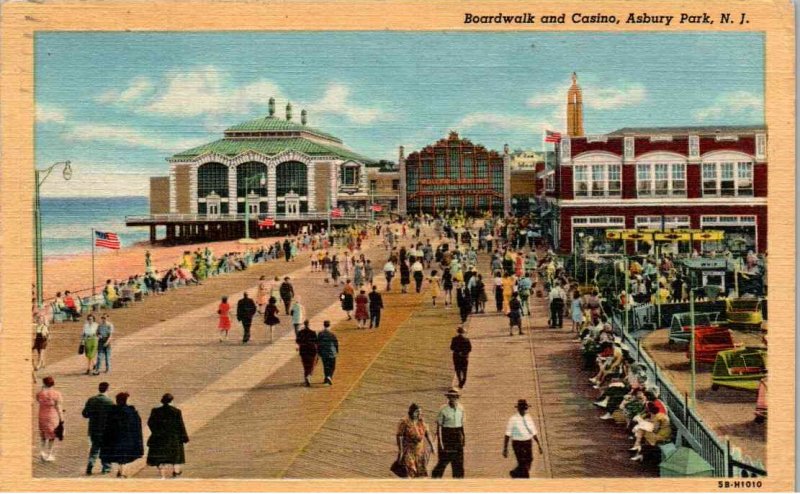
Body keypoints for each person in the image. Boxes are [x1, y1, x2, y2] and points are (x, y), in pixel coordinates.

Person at [100, 392, 144, 478]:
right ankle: (122, 472)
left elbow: (106, 425)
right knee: (124, 456)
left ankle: (120, 471)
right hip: (127, 438)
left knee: (119, 456)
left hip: (114, 438)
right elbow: (136, 425)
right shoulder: (130, 411)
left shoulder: (112, 411)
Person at [146, 393, 189, 479]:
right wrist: (184, 437)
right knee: (175, 458)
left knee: (160, 458)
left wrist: (156, 432)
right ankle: (176, 473)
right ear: (171, 401)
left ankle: (162, 476)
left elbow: (150, 423)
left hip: (159, 438)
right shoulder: (176, 411)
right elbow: (180, 425)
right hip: (173, 438)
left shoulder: (155, 411)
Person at [502, 399, 543, 478]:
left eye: (524, 409)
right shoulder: (513, 419)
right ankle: (525, 478)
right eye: (521, 409)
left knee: (530, 459)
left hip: (528, 442)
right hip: (517, 443)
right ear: (518, 409)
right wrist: (505, 448)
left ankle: (515, 473)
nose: (523, 411)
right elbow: (507, 434)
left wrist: (539, 444)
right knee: (522, 463)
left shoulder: (528, 417)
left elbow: (533, 431)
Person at [431, 388, 465, 479]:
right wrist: (441, 443)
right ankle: (435, 478)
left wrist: (463, 437)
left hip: (457, 436)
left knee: (458, 462)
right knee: (443, 461)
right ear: (448, 398)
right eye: (451, 397)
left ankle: (458, 482)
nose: (453, 399)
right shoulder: (443, 410)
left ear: (457, 398)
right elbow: (439, 427)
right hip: (447, 436)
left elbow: (461, 425)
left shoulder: (461, 409)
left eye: (455, 397)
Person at [396, 403, 435, 478]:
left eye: (420, 412)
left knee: (421, 474)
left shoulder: (421, 422)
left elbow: (427, 434)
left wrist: (432, 445)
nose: (419, 414)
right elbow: (399, 436)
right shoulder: (404, 422)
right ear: (411, 412)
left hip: (420, 452)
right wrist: (400, 450)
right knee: (410, 472)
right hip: (409, 451)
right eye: (416, 412)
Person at [83, 382, 113, 475]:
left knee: (94, 448)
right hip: (106, 430)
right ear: (107, 389)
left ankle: (90, 463)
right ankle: (106, 468)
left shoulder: (91, 400)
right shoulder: (110, 402)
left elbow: (85, 414)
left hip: (94, 429)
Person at [36, 376, 64, 462]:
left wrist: (42, 390)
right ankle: (49, 454)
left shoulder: (39, 394)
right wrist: (62, 419)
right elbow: (59, 408)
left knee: (43, 434)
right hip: (52, 416)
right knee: (52, 435)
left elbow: (38, 400)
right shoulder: (57, 394)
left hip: (42, 415)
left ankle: (42, 451)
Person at [296, 320, 318, 386]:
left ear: (304, 325)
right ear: (309, 325)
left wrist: (301, 345)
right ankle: (308, 375)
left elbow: (297, 341)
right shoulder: (313, 332)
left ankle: (306, 378)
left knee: (305, 365)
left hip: (303, 350)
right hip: (311, 350)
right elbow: (316, 342)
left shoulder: (300, 332)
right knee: (312, 364)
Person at [316, 320, 339, 385]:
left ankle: (326, 378)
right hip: (331, 352)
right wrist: (337, 350)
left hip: (323, 352)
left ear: (324, 325)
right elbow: (335, 343)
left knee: (325, 366)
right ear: (329, 325)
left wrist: (319, 352)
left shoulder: (320, 333)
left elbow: (318, 343)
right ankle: (329, 376)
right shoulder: (332, 333)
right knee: (332, 366)